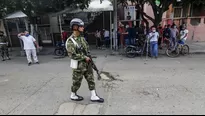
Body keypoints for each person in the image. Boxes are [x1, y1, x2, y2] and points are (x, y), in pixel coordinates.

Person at [66, 18, 104, 103]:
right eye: (81, 26)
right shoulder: (70, 41)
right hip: (78, 66)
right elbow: (72, 55)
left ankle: (93, 95)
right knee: (76, 82)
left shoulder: (82, 38)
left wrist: (89, 59)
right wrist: (84, 57)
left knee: (91, 79)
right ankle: (73, 94)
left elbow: (87, 50)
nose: (83, 28)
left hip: (87, 64)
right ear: (75, 27)